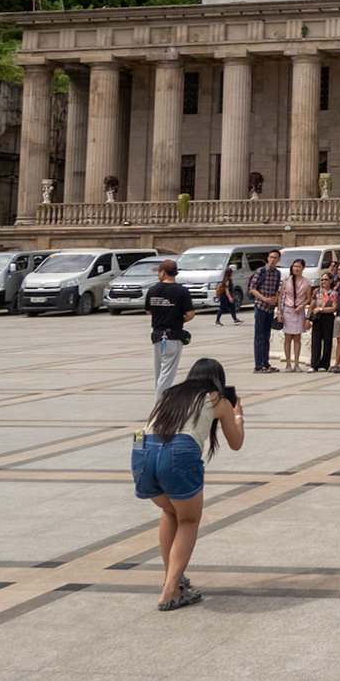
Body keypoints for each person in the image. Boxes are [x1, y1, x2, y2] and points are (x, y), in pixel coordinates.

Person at [133, 357, 244, 611]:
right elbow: (236, 443)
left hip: (141, 450)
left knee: (170, 511)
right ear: (218, 380)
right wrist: (238, 415)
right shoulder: (217, 399)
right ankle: (170, 591)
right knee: (188, 520)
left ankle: (171, 579)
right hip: (178, 451)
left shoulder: (170, 394)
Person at [145, 259, 196, 393]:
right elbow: (190, 314)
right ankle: (160, 404)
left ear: (163, 273)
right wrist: (178, 320)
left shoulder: (153, 290)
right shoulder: (182, 291)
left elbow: (148, 310)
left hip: (157, 335)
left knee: (159, 372)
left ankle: (160, 401)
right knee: (167, 373)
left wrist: (161, 315)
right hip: (173, 335)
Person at [248, 251, 283, 373]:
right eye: (271, 257)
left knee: (267, 336)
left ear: (278, 260)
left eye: (275, 258)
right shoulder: (261, 271)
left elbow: (276, 290)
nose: (273, 260)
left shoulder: (277, 273)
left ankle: (266, 362)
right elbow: (252, 289)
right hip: (261, 307)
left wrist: (275, 302)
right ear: (268, 258)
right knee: (259, 336)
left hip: (270, 308)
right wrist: (265, 299)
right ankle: (258, 365)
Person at [306, 259, 336, 373]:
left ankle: (325, 364)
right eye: (322, 279)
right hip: (317, 318)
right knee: (316, 341)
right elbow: (311, 305)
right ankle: (314, 364)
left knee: (327, 342)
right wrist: (308, 318)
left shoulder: (333, 293)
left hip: (328, 318)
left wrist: (322, 309)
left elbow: (334, 307)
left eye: (326, 279)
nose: (324, 281)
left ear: (331, 281)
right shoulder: (317, 292)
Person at [281, 259, 311, 372]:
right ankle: (288, 363)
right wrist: (279, 311)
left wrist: (302, 305)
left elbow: (308, 298)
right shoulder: (286, 280)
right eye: (294, 266)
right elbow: (281, 296)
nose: (296, 269)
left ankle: (297, 363)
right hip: (288, 310)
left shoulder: (306, 282)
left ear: (302, 268)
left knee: (297, 338)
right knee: (288, 337)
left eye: (298, 267)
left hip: (299, 311)